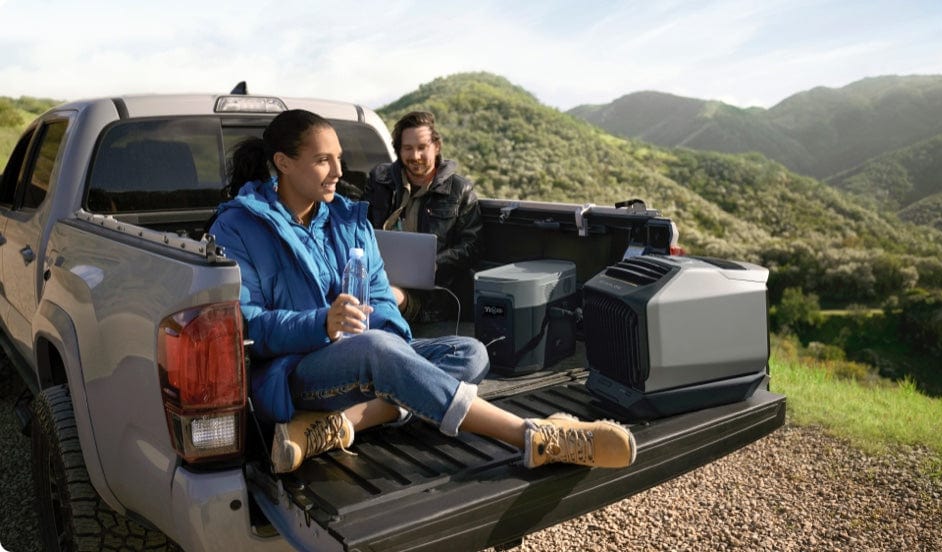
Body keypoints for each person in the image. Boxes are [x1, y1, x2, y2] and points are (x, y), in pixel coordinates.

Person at [209, 109, 636, 474]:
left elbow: (378, 297)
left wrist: (394, 350)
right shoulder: (239, 227)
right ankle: (530, 435)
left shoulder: (348, 218)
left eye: (338, 159)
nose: (338, 172)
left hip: (366, 359)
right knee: (377, 348)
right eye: (323, 160)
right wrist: (322, 323)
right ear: (283, 163)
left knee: (470, 353)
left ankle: (344, 423)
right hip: (295, 371)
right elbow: (247, 324)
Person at [365, 111, 481, 322]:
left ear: (436, 147)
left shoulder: (460, 190)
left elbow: (471, 247)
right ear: (399, 150)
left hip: (430, 297)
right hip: (377, 276)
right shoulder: (380, 181)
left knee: (381, 298)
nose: (415, 156)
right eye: (408, 148)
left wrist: (431, 264)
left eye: (422, 147)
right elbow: (360, 226)